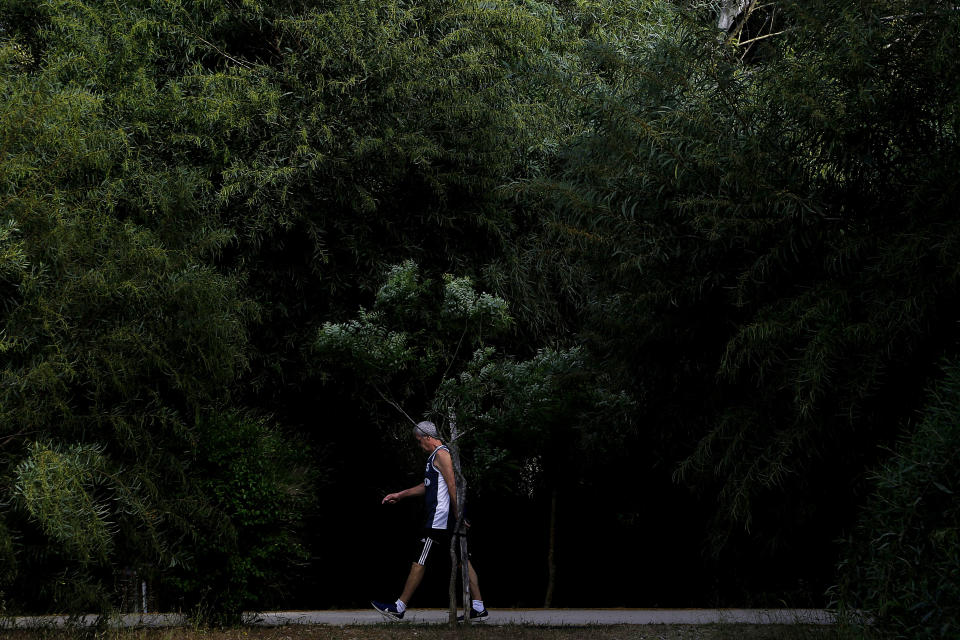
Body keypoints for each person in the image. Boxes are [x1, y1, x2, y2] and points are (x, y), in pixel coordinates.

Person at [371, 420, 488, 621]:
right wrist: (400, 494)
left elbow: (452, 484)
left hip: (439, 519)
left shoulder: (442, 454)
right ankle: (478, 608)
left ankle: (399, 607)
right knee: (463, 561)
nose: (419, 445)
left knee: (420, 560)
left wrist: (460, 515)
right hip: (446, 518)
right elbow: (428, 485)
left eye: (419, 441)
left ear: (427, 437)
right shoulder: (435, 456)